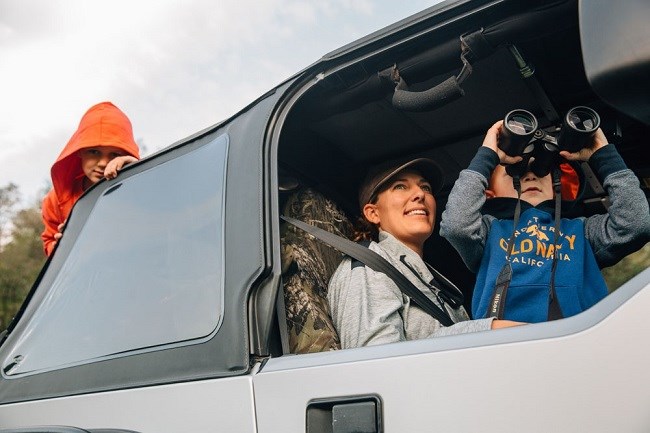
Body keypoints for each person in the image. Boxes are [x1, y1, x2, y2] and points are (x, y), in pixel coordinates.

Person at [440, 120, 650, 323]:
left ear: (557, 182)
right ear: (489, 192)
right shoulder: (488, 231)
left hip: (577, 342)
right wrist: (487, 156)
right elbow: (456, 226)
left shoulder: (582, 231)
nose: (530, 177)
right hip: (504, 346)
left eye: (541, 170)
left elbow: (635, 223)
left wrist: (604, 155)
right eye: (517, 173)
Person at [327, 158, 520, 349]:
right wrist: (487, 330)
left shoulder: (433, 280)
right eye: (400, 187)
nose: (419, 194)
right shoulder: (369, 265)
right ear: (373, 213)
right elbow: (376, 361)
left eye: (425, 188)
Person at [41, 101, 140, 256]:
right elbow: (49, 242)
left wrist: (139, 173)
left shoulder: (135, 186)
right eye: (94, 152)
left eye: (115, 154)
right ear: (79, 152)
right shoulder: (56, 200)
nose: (103, 163)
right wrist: (60, 246)